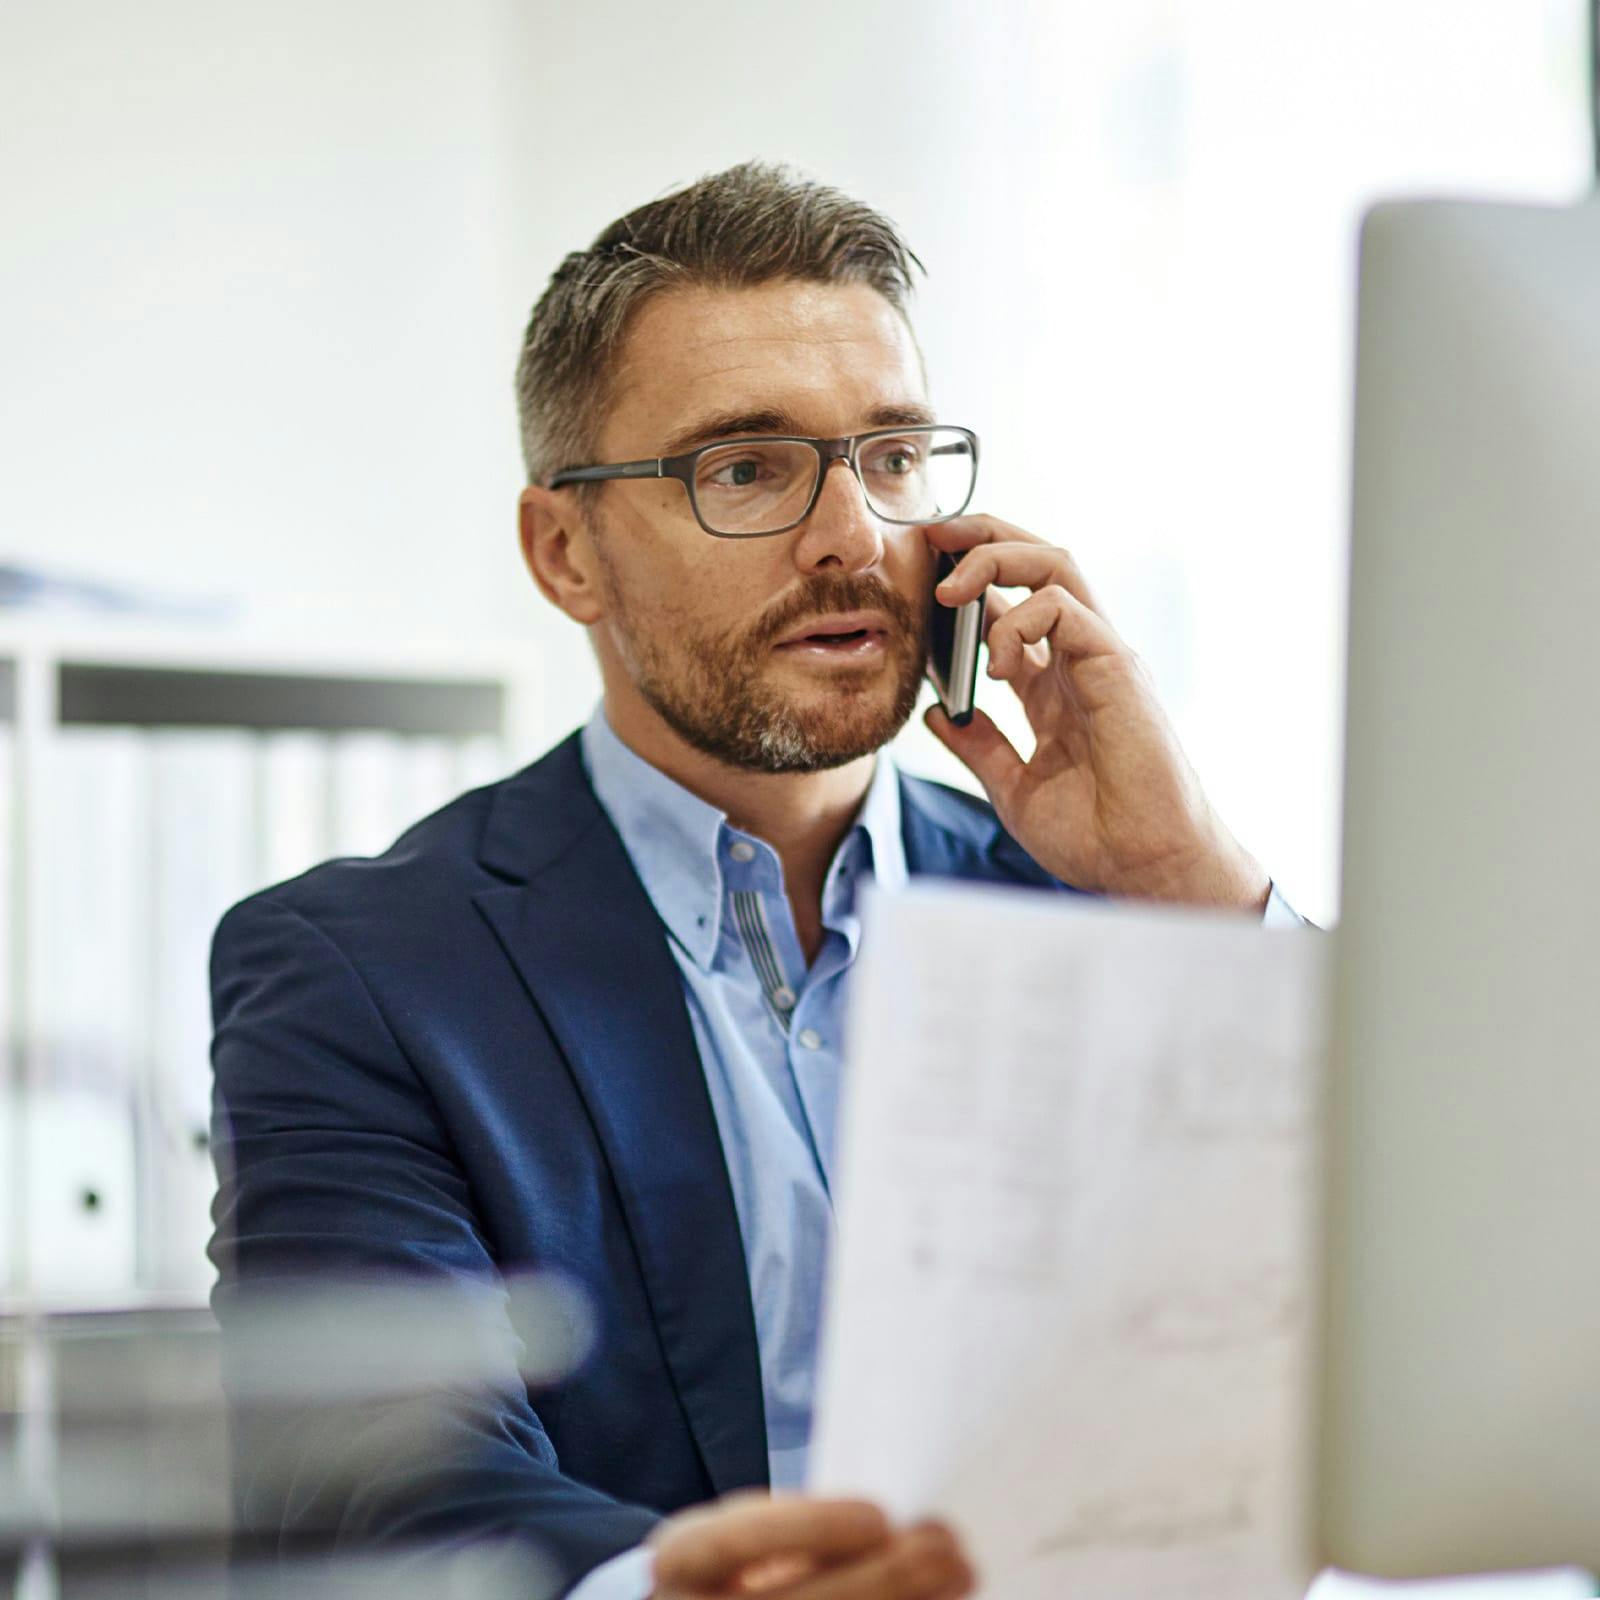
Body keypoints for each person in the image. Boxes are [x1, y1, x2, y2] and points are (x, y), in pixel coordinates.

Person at [209, 160, 1304, 1600]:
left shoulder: (1120, 913)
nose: (854, 536)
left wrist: (1195, 883)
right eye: (745, 468)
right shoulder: (363, 973)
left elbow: (1418, 1320)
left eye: (895, 459)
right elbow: (370, 1479)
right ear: (565, 552)